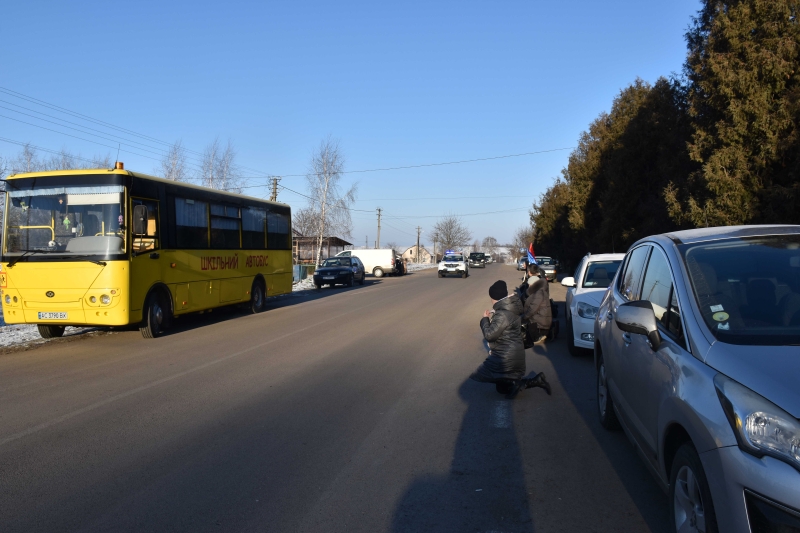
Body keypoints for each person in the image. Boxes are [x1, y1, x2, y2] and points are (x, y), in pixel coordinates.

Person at [470, 280, 551, 399]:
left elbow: (489, 335)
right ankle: (535, 381)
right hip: (513, 353)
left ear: (494, 297)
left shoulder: (502, 314)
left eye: (491, 297)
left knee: (483, 374)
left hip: (506, 356)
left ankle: (520, 383)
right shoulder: (509, 308)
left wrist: (485, 319)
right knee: (501, 388)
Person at [523, 263, 553, 344]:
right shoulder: (541, 282)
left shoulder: (539, 292)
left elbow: (533, 308)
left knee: (525, 335)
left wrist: (523, 317)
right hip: (541, 317)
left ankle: (541, 335)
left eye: (529, 285)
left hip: (540, 323)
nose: (528, 286)